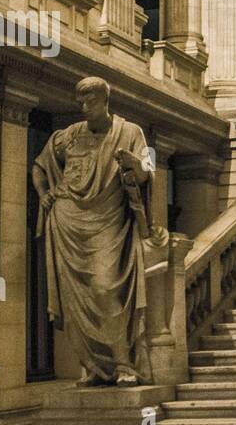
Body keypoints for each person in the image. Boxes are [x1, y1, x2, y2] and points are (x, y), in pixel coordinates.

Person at [32, 76, 153, 386]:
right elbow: (40, 165)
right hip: (69, 222)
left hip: (109, 224)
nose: (84, 107)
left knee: (105, 289)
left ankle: (123, 363)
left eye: (90, 101)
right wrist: (44, 192)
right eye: (80, 102)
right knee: (75, 301)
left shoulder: (129, 132)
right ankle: (93, 366)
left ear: (105, 101)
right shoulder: (69, 135)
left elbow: (147, 171)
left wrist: (133, 165)